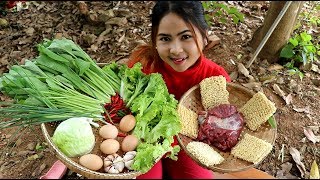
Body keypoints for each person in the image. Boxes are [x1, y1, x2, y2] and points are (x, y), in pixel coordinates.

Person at [127, 1, 230, 179]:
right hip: (145, 140)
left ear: (205, 37)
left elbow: (222, 126)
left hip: (188, 145)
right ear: (155, 41)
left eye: (186, 37)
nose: (176, 50)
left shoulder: (215, 77)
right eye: (165, 39)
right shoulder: (143, 67)